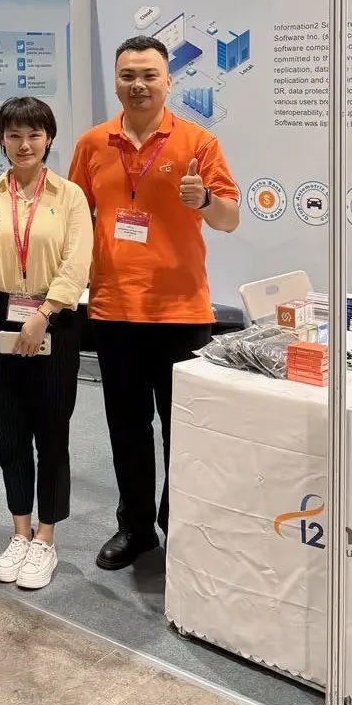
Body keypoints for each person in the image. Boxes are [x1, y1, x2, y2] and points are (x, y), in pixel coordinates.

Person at [68, 35, 239, 571]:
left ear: (168, 80)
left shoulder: (198, 142)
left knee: (181, 429)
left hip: (181, 312)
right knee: (126, 427)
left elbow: (229, 218)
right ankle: (136, 527)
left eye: (148, 75)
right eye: (128, 76)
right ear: (116, 81)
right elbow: (74, 216)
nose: (138, 85)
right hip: (113, 308)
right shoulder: (92, 143)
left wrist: (204, 199)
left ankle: (179, 523)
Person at [0, 97, 92, 590]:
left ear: (48, 138)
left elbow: (77, 263)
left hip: (53, 317)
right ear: (1, 141)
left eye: (34, 134)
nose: (24, 144)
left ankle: (46, 537)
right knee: (10, 430)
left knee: (51, 432)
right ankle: (19, 531)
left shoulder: (70, 195)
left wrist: (43, 314)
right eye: (13, 135)